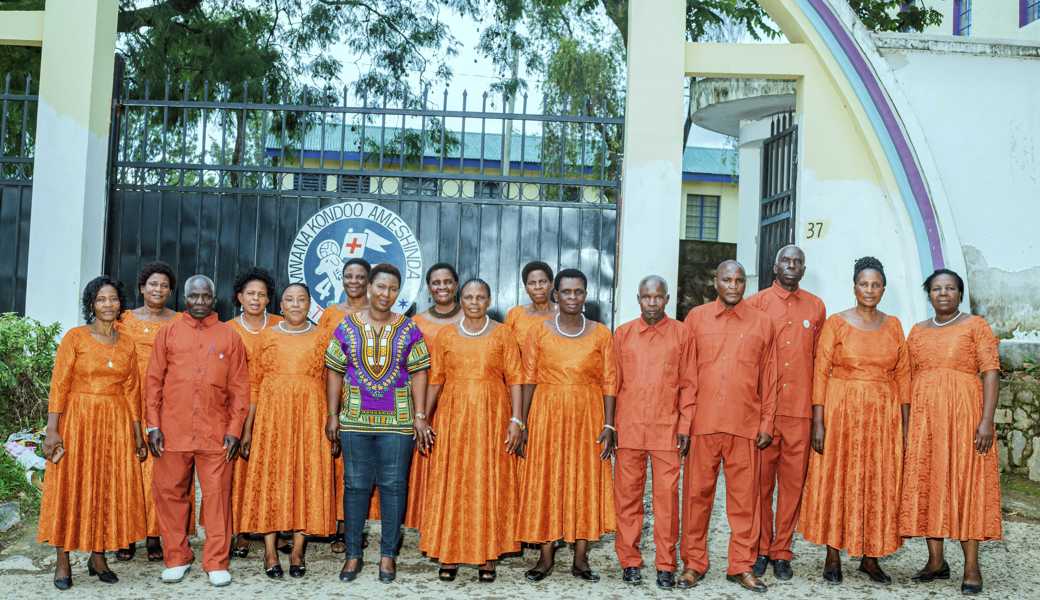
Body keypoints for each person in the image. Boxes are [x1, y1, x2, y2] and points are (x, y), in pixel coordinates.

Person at [799, 256, 909, 585]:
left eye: (876, 285)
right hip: (841, 412)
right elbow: (820, 372)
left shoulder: (894, 326)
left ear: (884, 289)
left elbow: (904, 376)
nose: (870, 290)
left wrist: (905, 424)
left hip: (882, 416)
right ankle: (832, 555)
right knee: (838, 478)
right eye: (864, 284)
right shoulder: (836, 323)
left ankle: (870, 557)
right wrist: (818, 421)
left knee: (878, 481)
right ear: (854, 287)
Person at [324, 263, 431, 584]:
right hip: (355, 419)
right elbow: (334, 369)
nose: (386, 294)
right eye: (381, 287)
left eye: (393, 288)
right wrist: (332, 414)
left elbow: (420, 372)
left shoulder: (409, 328)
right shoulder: (346, 326)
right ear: (369, 287)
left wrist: (420, 415)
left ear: (399, 292)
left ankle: (388, 556)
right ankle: (353, 555)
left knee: (394, 486)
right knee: (355, 486)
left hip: (397, 422)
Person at [39, 276, 148, 590]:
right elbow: (59, 386)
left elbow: (132, 391)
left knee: (105, 486)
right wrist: (52, 430)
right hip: (79, 421)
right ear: (91, 304)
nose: (108, 304)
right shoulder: (75, 338)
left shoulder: (127, 342)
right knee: (71, 487)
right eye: (101, 299)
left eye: (113, 299)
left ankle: (98, 557)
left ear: (121, 304)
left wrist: (137, 434)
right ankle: (63, 559)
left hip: (115, 422)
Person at [899, 269, 1001, 595]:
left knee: (966, 484)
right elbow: (906, 376)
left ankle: (971, 566)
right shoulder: (916, 332)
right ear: (927, 293)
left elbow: (991, 373)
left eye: (950, 288)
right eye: (937, 289)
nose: (943, 293)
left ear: (959, 293)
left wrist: (986, 420)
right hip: (926, 420)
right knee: (930, 482)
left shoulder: (976, 326)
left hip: (965, 418)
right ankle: (936, 562)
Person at [145, 274, 250, 587]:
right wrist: (153, 425)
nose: (200, 302)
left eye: (206, 296)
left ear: (214, 298)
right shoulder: (169, 333)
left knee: (217, 497)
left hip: (215, 432)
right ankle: (177, 558)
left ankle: (216, 562)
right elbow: (153, 382)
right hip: (172, 430)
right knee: (169, 494)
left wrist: (234, 429)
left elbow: (240, 388)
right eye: (194, 297)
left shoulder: (229, 337)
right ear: (185, 298)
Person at [417, 278, 524, 583]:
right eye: (468, 297)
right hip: (453, 417)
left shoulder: (503, 334)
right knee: (454, 481)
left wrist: (516, 420)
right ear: (460, 300)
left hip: (492, 415)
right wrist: (423, 416)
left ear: (489, 300)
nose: (474, 302)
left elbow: (515, 378)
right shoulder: (447, 334)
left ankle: (487, 556)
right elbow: (436, 378)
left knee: (488, 481)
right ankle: (449, 553)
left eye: (480, 297)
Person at [680, 260, 777, 593]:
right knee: (696, 498)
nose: (733, 286)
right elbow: (686, 375)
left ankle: (741, 566)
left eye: (738, 280)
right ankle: (694, 564)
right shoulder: (696, 319)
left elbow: (770, 377)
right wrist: (685, 421)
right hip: (703, 425)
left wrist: (767, 421)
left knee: (745, 502)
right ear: (715, 282)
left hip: (745, 426)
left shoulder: (763, 323)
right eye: (727, 280)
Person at [517, 268, 617, 583]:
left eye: (579, 292)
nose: (572, 297)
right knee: (548, 479)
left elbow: (610, 380)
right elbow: (529, 378)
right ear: (556, 295)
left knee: (584, 479)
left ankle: (581, 558)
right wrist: (522, 421)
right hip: (546, 413)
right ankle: (545, 556)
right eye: (567, 292)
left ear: (585, 295)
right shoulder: (539, 331)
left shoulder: (601, 333)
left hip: (587, 415)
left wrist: (610, 424)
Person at [239, 283, 336, 579]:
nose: (295, 304)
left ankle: (297, 550)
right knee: (272, 476)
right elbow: (254, 383)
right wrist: (248, 428)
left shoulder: (323, 337)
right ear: (280, 305)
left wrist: (333, 417)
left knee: (305, 476)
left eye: (301, 300)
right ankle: (269, 551)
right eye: (289, 300)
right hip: (272, 419)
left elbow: (333, 378)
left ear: (310, 304)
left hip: (309, 415)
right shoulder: (267, 336)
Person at [745, 246, 826, 581]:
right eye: (786, 261)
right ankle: (761, 549)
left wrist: (820, 416)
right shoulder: (756, 304)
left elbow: (822, 364)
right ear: (774, 266)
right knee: (760, 486)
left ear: (804, 269)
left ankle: (782, 552)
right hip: (766, 413)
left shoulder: (816, 307)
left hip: (800, 413)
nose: (792, 266)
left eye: (798, 262)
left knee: (792, 487)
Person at [612, 275, 695, 590]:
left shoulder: (682, 334)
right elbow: (613, 384)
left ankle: (665, 564)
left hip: (667, 430)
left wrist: (685, 425)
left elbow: (689, 385)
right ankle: (630, 561)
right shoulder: (623, 335)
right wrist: (611, 425)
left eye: (658, 297)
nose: (652, 303)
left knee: (666, 500)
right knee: (628, 498)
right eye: (646, 297)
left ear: (667, 299)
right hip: (629, 428)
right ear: (638, 298)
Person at [114, 261, 183, 563]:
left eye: (164, 285)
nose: (158, 289)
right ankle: (126, 534)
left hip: (166, 403)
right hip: (127, 400)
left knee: (160, 471)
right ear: (142, 287)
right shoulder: (124, 320)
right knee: (127, 469)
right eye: (153, 284)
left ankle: (155, 534)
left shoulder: (179, 321)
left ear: (170, 291)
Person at [317, 257, 375, 552]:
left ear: (369, 281)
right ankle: (328, 523)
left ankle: (349, 528)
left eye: (360, 276)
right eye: (349, 276)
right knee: (333, 462)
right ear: (342, 279)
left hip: (366, 397)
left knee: (358, 466)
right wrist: (329, 408)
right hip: (333, 394)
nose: (354, 281)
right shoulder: (330, 314)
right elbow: (324, 360)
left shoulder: (377, 313)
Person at [225, 267, 282, 559]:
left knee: (275, 468)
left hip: (275, 407)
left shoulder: (282, 325)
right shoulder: (227, 329)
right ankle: (242, 531)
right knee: (241, 472)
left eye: (261, 294)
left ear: (269, 299)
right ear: (239, 297)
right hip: (237, 406)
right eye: (250, 294)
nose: (256, 299)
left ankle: (279, 524)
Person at [405, 262, 462, 532]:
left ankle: (459, 522)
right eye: (436, 283)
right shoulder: (417, 323)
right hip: (425, 400)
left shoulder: (471, 318)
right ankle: (432, 525)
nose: (442, 287)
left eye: (447, 281)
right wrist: (420, 411)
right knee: (429, 462)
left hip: (462, 404)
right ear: (429, 288)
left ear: (456, 285)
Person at [505, 261, 557, 347]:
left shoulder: (563, 314)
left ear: (551, 284)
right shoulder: (515, 314)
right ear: (526, 288)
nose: (537, 287)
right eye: (532, 283)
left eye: (542, 281)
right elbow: (506, 349)